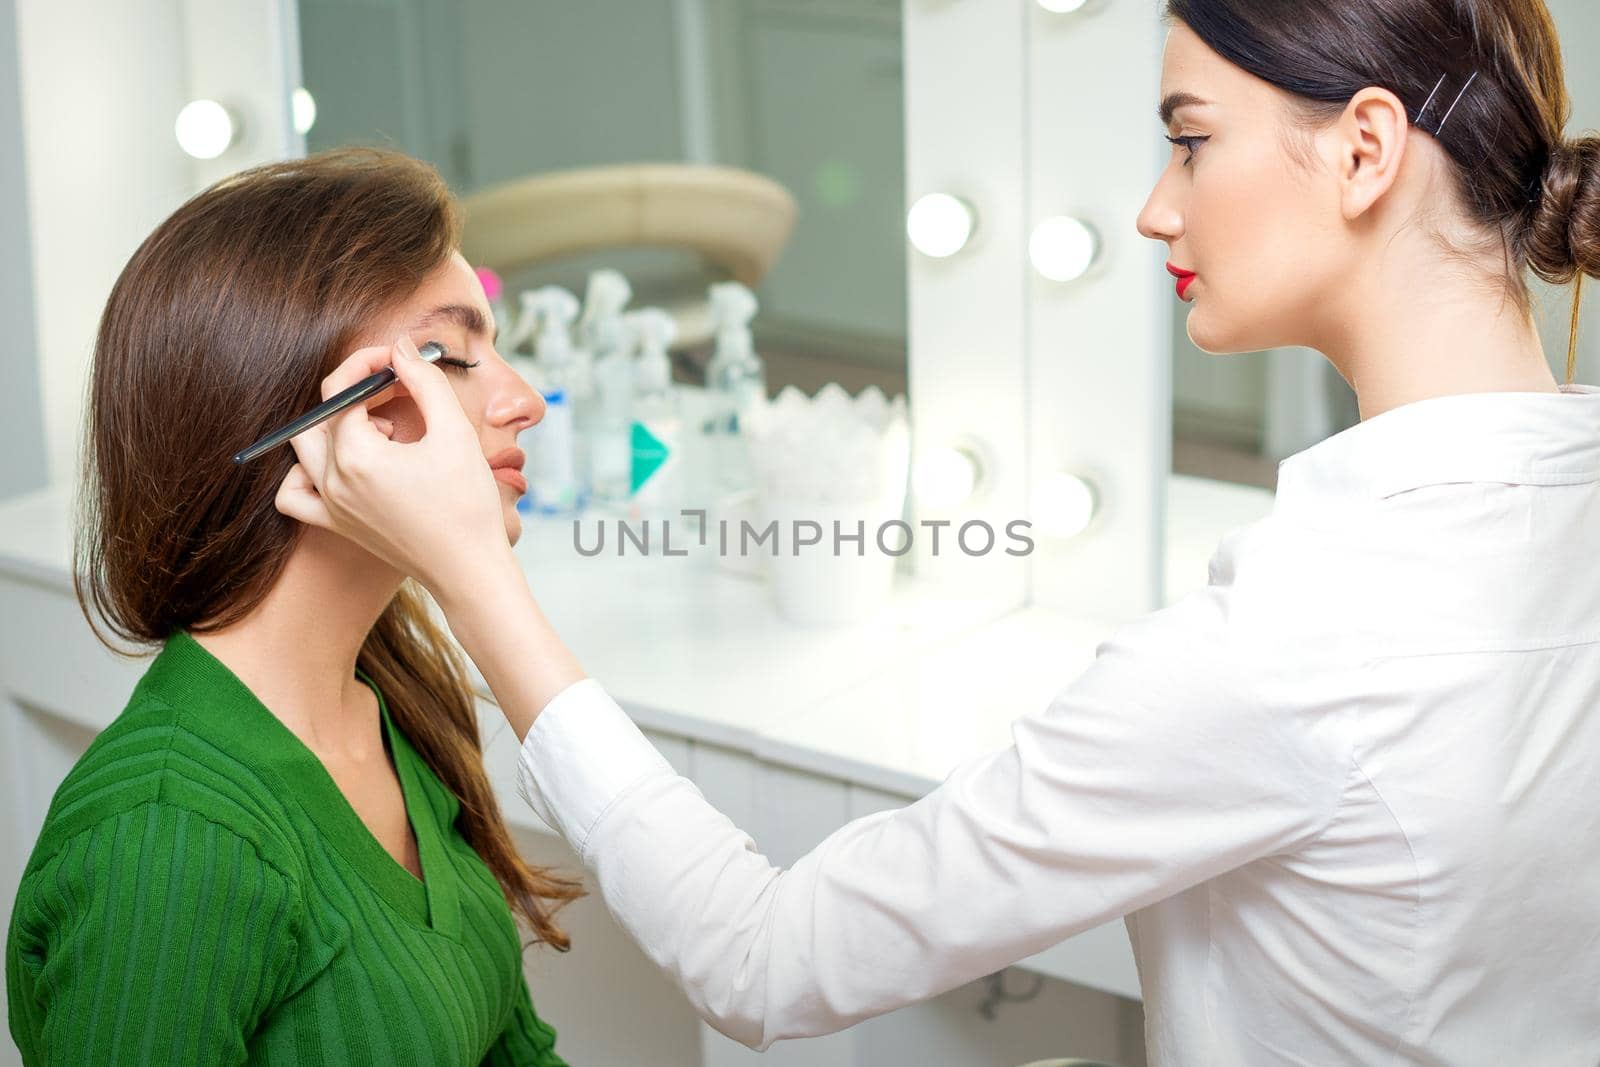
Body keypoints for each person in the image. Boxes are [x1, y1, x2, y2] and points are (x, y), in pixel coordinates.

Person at [285, 2, 1600, 1064]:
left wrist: (471, 571)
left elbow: (762, 955)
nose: (1154, 205)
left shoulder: (1287, 650)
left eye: (1189, 139)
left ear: (1366, 150)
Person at [4, 149, 576, 1065]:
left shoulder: (388, 706)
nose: (522, 400)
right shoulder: (166, 842)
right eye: (449, 357)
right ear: (288, 419)